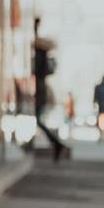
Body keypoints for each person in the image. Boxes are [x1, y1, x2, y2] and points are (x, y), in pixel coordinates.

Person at [31, 20, 67, 161]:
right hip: (40, 91)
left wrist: (34, 28)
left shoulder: (41, 58)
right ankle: (56, 144)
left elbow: (36, 42)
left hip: (40, 91)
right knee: (38, 120)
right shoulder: (43, 57)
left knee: (38, 121)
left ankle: (57, 143)